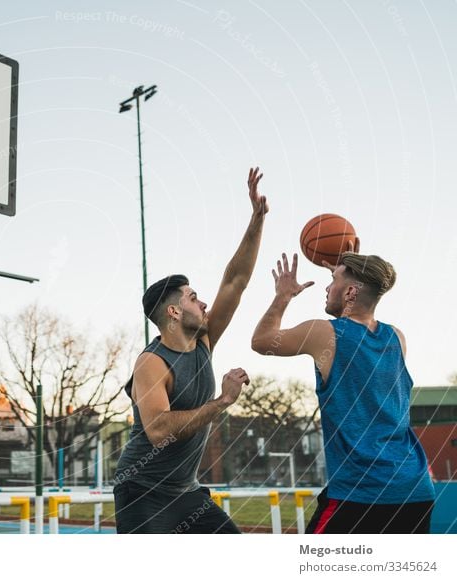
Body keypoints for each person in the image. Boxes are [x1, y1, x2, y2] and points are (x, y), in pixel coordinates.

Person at [113, 167, 268, 534]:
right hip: (142, 492)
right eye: (193, 298)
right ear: (173, 312)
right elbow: (158, 430)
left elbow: (236, 280)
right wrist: (222, 401)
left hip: (187, 493)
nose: (203, 304)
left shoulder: (203, 340)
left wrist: (256, 220)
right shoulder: (151, 364)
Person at [251, 250, 435, 533]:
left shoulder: (325, 333)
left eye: (333, 280)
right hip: (415, 489)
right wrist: (351, 263)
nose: (327, 287)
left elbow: (261, 341)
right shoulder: (397, 337)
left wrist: (283, 295)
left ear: (350, 291)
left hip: (362, 492)